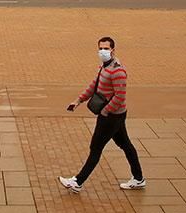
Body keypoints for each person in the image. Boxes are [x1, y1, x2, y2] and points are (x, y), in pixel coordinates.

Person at [59, 37, 145, 193]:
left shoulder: (117, 71)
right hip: (114, 115)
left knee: (96, 147)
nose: (103, 51)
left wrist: (105, 112)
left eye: (106, 48)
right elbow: (94, 85)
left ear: (113, 50)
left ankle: (78, 182)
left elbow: (120, 97)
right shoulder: (105, 67)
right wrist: (79, 100)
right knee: (125, 145)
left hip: (112, 116)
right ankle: (138, 179)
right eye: (101, 48)